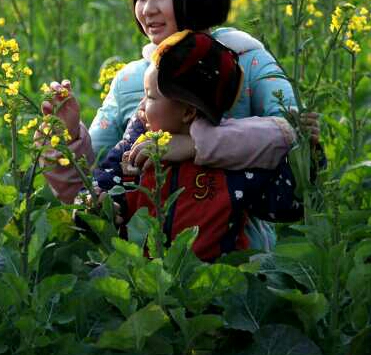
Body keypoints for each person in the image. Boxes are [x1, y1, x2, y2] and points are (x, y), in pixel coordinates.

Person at [43, 0, 316, 250]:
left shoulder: (247, 60)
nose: (147, 9)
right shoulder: (130, 80)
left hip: (238, 260)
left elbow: (293, 138)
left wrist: (194, 144)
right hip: (142, 262)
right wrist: (67, 138)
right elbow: (98, 175)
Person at [106, 30, 307, 261]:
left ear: (188, 112)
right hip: (144, 277)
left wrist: (308, 154)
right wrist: (100, 205)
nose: (141, 106)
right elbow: (106, 181)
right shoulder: (138, 143)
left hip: (211, 280)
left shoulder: (228, 165)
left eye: (150, 96)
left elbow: (285, 204)